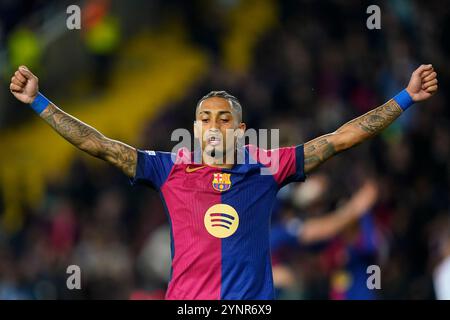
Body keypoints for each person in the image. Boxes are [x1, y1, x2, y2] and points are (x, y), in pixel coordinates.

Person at [9, 64, 438, 299]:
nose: (213, 125)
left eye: (223, 118)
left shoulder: (268, 167)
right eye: (204, 118)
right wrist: (38, 101)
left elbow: (339, 139)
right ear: (195, 129)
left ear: (240, 129)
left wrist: (405, 97)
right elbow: (99, 145)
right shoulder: (169, 169)